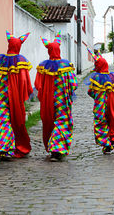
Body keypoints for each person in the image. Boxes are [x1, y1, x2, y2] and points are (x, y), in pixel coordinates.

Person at [0, 31, 33, 160]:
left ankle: (1, 148)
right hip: (13, 96)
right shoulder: (21, 61)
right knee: (10, 121)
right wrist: (25, 94)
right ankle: (6, 148)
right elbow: (24, 80)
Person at [35, 33, 78, 161]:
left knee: (49, 122)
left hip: (48, 101)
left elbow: (37, 85)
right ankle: (57, 149)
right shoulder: (66, 66)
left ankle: (53, 148)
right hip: (62, 101)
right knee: (61, 121)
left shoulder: (43, 67)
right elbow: (74, 84)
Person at [86, 49, 114, 155]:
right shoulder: (113, 76)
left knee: (101, 123)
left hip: (100, 106)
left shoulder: (96, 78)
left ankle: (106, 145)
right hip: (113, 105)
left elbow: (90, 92)